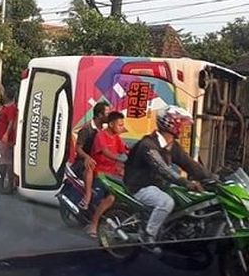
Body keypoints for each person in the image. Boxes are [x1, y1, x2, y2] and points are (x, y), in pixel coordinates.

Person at [123, 106, 213, 249]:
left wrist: (212, 178)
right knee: (166, 202)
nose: (183, 127)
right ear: (171, 124)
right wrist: (185, 182)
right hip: (140, 186)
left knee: (186, 199)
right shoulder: (148, 145)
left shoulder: (172, 146)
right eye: (181, 123)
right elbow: (163, 169)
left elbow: (189, 164)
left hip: (159, 185)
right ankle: (148, 235)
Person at [86, 111, 128, 237]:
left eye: (122, 125)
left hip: (113, 172)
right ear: (110, 124)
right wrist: (120, 159)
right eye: (120, 125)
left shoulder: (117, 138)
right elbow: (105, 152)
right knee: (111, 197)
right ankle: (94, 224)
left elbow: (125, 150)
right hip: (101, 172)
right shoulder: (101, 136)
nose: (122, 127)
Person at [0, 80, 18, 194]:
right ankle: (4, 184)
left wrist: (6, 135)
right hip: (3, 137)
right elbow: (2, 90)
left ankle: (8, 185)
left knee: (7, 162)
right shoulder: (8, 106)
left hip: (6, 139)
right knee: (4, 161)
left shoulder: (11, 108)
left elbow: (11, 123)